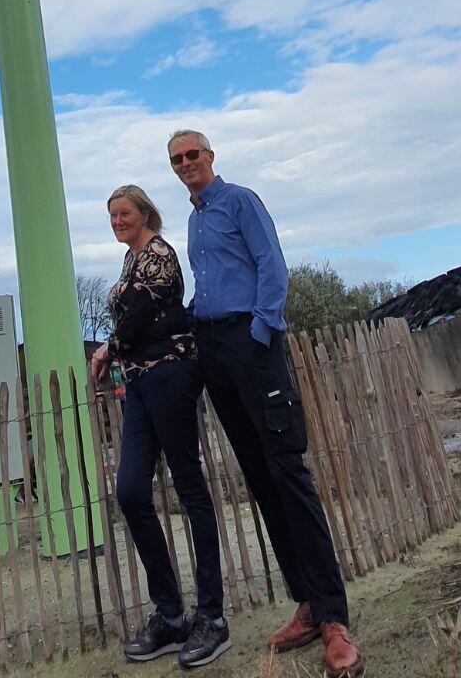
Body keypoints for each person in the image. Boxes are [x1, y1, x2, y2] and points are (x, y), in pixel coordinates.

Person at [166, 130, 364, 678]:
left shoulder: (241, 201)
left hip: (252, 348)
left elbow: (271, 266)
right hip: (215, 350)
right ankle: (305, 604)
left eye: (193, 155)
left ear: (211, 156)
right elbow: (209, 286)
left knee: (288, 472)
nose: (186, 164)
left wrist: (260, 332)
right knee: (259, 477)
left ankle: (334, 621)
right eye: (177, 159)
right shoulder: (194, 220)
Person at [89, 184, 230, 669]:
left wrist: (108, 346)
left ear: (144, 212)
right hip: (140, 385)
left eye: (124, 213)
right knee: (129, 491)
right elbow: (132, 320)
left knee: (190, 489)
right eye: (112, 216)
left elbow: (139, 317)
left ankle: (211, 615)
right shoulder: (131, 261)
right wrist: (118, 347)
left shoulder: (159, 256)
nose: (117, 221)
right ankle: (170, 615)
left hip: (170, 374)